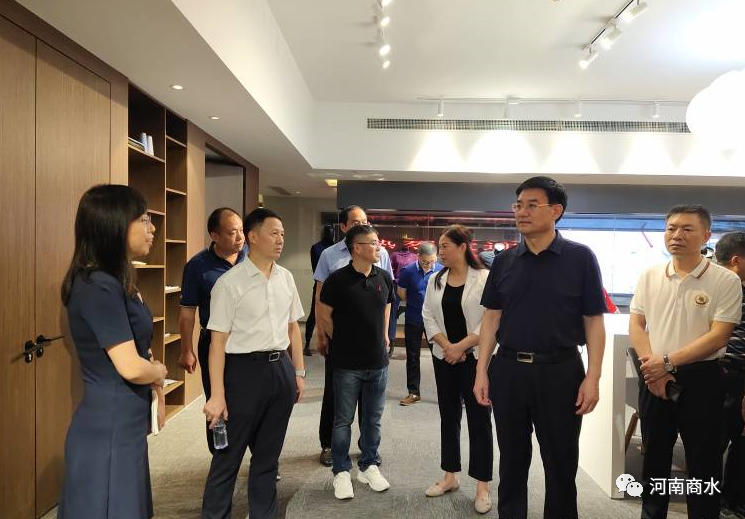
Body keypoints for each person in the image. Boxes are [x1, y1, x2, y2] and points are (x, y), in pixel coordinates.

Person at [474, 176, 607, 519]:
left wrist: (593, 377)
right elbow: (491, 319)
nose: (522, 212)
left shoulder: (580, 258)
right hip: (509, 370)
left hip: (560, 371)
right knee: (512, 460)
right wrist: (481, 371)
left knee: (561, 462)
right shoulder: (504, 261)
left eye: (532, 205)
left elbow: (593, 321)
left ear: (556, 210)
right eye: (518, 205)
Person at [58, 184, 168, 519]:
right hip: (109, 424)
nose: (152, 228)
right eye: (143, 220)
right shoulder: (98, 285)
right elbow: (130, 367)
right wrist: (159, 373)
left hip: (124, 420)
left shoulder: (114, 280)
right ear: (114, 224)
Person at [630, 205, 742, 519]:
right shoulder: (650, 275)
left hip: (702, 378)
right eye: (671, 228)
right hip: (654, 377)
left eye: (687, 229)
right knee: (654, 458)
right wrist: (653, 367)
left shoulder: (725, 280)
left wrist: (666, 363)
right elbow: (637, 324)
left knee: (704, 461)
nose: (677, 235)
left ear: (706, 235)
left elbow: (719, 335)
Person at [201, 208, 305, 519]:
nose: (280, 239)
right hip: (243, 373)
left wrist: (298, 372)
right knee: (228, 457)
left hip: (280, 370)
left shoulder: (286, 278)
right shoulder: (229, 283)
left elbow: (293, 328)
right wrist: (217, 395)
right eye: (274, 233)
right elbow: (217, 343)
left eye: (282, 234)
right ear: (253, 237)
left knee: (268, 458)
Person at [317, 225, 394, 499]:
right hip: (347, 364)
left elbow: (387, 306)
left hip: (378, 363)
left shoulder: (383, 276)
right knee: (343, 421)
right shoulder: (337, 280)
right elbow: (324, 315)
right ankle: (341, 471)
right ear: (357, 248)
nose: (379, 247)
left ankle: (369, 465)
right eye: (373, 242)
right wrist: (341, 340)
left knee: (372, 419)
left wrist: (384, 335)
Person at [422, 225, 493, 514]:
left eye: (445, 246)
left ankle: (482, 485)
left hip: (476, 360)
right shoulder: (435, 279)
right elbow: (428, 315)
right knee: (448, 417)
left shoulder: (484, 278)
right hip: (444, 359)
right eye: (439, 246)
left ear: (463, 247)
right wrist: (447, 347)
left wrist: (460, 347)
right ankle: (450, 476)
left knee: (479, 420)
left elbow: (489, 320)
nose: (440, 251)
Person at [178, 207, 246, 452]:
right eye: (232, 232)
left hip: (248, 340)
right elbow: (187, 314)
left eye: (241, 230)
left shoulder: (252, 257)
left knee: (249, 398)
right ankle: (220, 454)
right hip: (214, 341)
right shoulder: (197, 266)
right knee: (217, 397)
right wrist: (186, 350)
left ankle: (256, 454)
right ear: (215, 235)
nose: (240, 237)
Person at [714, 231, 745, 517]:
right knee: (724, 438)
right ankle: (725, 499)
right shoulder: (731, 288)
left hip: (719, 372)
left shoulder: (712, 284)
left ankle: (727, 498)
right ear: (736, 261)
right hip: (730, 373)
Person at [397, 241, 442, 405]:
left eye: (432, 261)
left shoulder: (441, 270)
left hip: (435, 321)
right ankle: (414, 392)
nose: (428, 265)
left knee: (439, 356)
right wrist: (416, 304)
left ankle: (446, 393)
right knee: (413, 356)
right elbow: (401, 292)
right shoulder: (408, 271)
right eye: (425, 261)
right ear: (418, 257)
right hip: (414, 319)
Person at [304, 223, 335, 356]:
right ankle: (307, 344)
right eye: (329, 232)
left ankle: (330, 342)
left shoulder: (335, 248)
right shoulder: (317, 248)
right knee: (314, 314)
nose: (331, 234)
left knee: (332, 314)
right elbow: (316, 268)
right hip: (321, 284)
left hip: (332, 285)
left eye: (332, 232)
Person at [389, 245, 418, 355]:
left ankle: (412, 343)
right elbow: (390, 270)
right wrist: (395, 280)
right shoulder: (394, 255)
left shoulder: (414, 256)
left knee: (413, 312)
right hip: (396, 285)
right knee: (392, 315)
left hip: (411, 287)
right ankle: (392, 342)